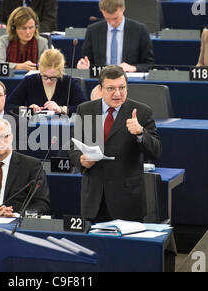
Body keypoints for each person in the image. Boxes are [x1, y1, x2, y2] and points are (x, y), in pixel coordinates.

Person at [69, 65, 161, 222]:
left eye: (122, 87)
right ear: (100, 88)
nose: (117, 94)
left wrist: (140, 133)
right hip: (93, 200)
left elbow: (155, 151)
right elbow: (73, 147)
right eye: (111, 88)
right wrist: (81, 160)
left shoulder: (142, 112)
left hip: (127, 201)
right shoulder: (85, 109)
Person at [0, 118, 51, 217]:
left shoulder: (31, 165)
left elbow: (42, 204)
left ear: (11, 138)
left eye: (2, 137)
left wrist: (16, 215)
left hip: (17, 224)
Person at [76, 0, 154, 73]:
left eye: (115, 18)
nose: (112, 23)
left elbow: (149, 64)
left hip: (129, 80)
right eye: (107, 18)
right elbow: (88, 61)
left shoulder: (139, 30)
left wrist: (133, 68)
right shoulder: (93, 31)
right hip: (100, 80)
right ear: (102, 11)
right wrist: (84, 67)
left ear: (123, 9)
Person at [6, 49, 87, 115]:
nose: (48, 81)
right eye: (44, 76)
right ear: (40, 70)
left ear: (60, 72)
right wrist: (28, 110)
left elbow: (84, 108)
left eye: (53, 77)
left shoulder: (70, 82)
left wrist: (61, 109)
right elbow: (9, 106)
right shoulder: (29, 81)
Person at [0, 6, 49, 71]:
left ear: (36, 27)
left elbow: (46, 66)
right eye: (24, 28)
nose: (28, 32)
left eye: (31, 27)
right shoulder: (4, 40)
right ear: (14, 28)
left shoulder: (42, 42)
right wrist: (17, 66)